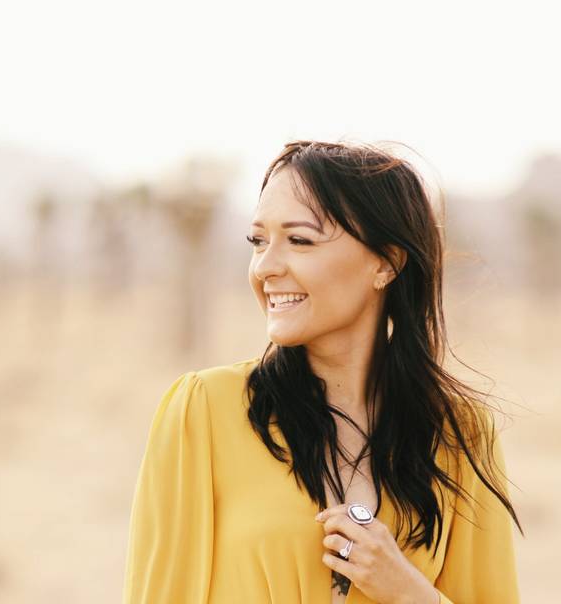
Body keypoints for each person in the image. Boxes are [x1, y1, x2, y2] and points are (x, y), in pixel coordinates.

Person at [122, 140, 522, 603]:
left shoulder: (459, 432)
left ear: (387, 262)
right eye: (258, 241)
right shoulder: (204, 410)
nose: (266, 267)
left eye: (299, 240)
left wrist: (409, 593)